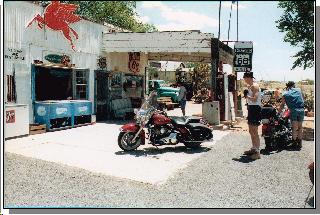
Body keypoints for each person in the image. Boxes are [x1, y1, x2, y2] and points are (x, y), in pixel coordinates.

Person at [278, 81, 304, 150]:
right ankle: (300, 143)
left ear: (287, 86)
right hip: (301, 109)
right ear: (294, 85)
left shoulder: (285, 93)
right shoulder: (299, 90)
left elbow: (282, 105)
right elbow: (302, 99)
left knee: (295, 128)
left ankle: (294, 143)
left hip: (293, 110)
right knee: (300, 127)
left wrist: (278, 113)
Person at [242, 72, 262, 160]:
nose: (244, 80)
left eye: (245, 78)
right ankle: (254, 148)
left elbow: (255, 99)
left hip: (255, 109)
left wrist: (247, 96)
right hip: (251, 108)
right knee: (251, 130)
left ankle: (257, 153)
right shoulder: (250, 87)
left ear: (249, 78)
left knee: (254, 131)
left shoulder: (255, 86)